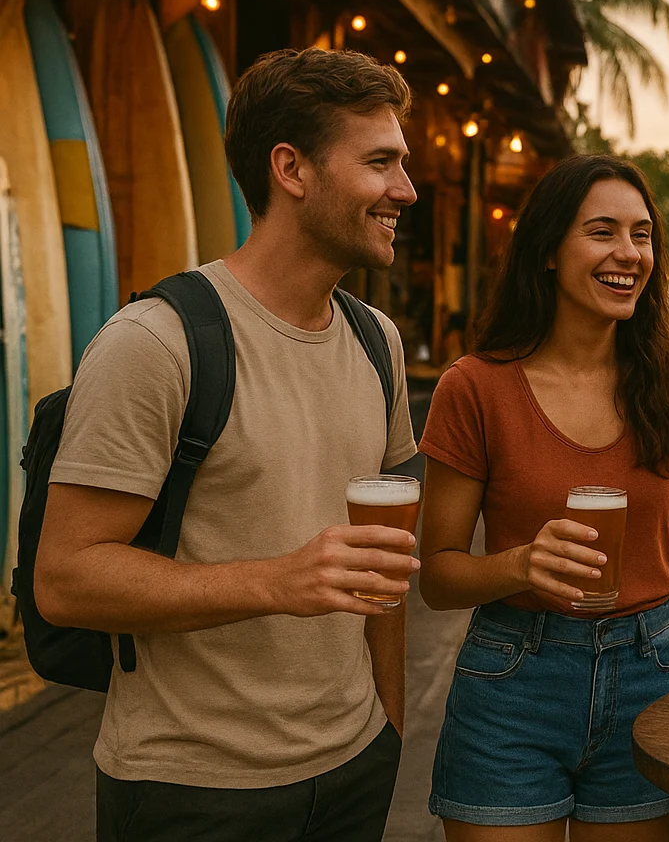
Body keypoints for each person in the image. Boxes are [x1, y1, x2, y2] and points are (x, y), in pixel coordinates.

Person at [35, 48, 420, 841]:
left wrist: (387, 726)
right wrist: (279, 580)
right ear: (292, 168)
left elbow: (382, 566)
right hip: (192, 787)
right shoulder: (158, 341)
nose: (405, 192)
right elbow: (66, 581)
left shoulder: (378, 342)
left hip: (354, 766)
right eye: (379, 163)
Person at [416, 155, 669, 841]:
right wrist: (519, 566)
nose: (628, 253)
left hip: (654, 674)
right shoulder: (474, 389)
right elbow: (436, 574)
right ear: (549, 251)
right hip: (512, 681)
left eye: (642, 234)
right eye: (602, 231)